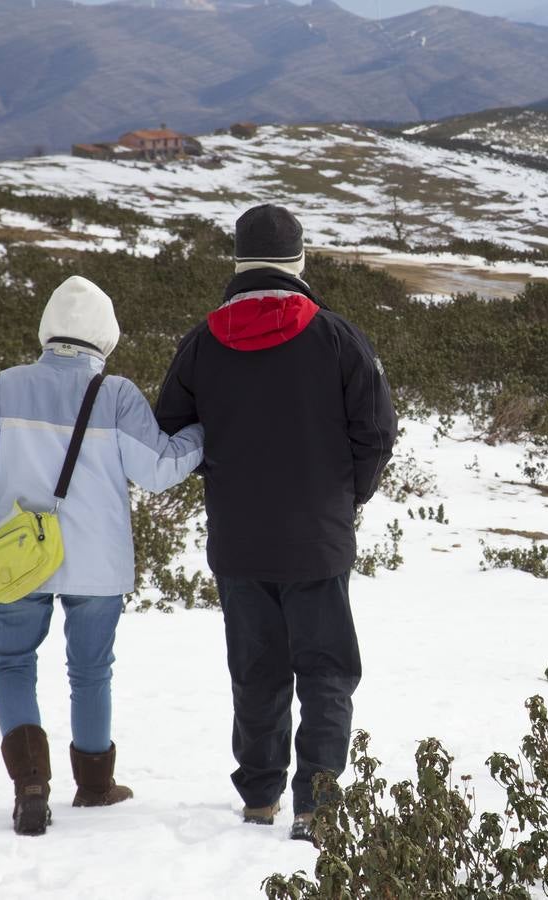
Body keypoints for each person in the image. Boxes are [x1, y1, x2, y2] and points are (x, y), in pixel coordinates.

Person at [154, 204, 396, 844]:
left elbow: (171, 432)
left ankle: (259, 798)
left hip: (239, 541)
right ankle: (317, 807)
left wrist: (223, 469)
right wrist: (349, 498)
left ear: (238, 262)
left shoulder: (201, 343)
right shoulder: (338, 338)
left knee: (256, 671)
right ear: (299, 261)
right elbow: (376, 433)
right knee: (326, 672)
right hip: (318, 539)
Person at [0, 275, 205, 836]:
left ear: (47, 329)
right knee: (90, 671)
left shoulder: (6, 386)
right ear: (105, 337)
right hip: (98, 563)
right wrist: (202, 435)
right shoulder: (116, 395)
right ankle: (94, 785)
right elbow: (158, 470)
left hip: (15, 558)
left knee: (12, 664)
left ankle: (30, 785)